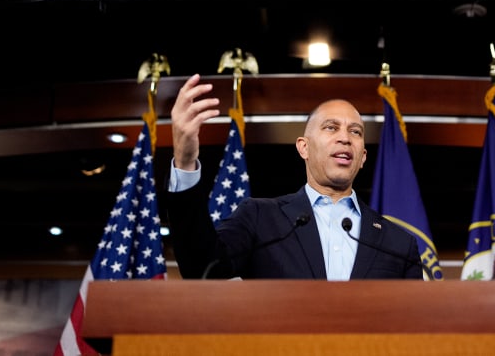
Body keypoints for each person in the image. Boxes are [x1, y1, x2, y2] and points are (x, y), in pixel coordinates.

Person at [166, 73, 423, 280]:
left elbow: (413, 325)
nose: (345, 137)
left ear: (363, 157)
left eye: (355, 132)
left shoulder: (398, 243)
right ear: (304, 147)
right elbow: (202, 269)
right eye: (331, 127)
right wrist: (185, 162)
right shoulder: (260, 218)